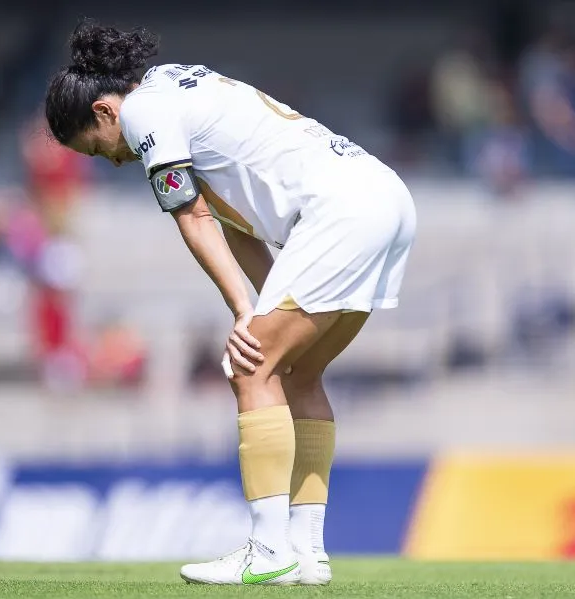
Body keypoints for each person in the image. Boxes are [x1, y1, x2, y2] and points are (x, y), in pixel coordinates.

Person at [44, 20, 417, 586]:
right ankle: (306, 553)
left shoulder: (143, 116)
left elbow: (191, 216)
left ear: (103, 112)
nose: (111, 160)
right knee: (296, 372)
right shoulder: (169, 86)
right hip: (384, 196)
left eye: (98, 149)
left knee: (251, 366)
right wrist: (259, 307)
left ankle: (268, 551)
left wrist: (244, 314)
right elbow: (232, 221)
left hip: (340, 210)